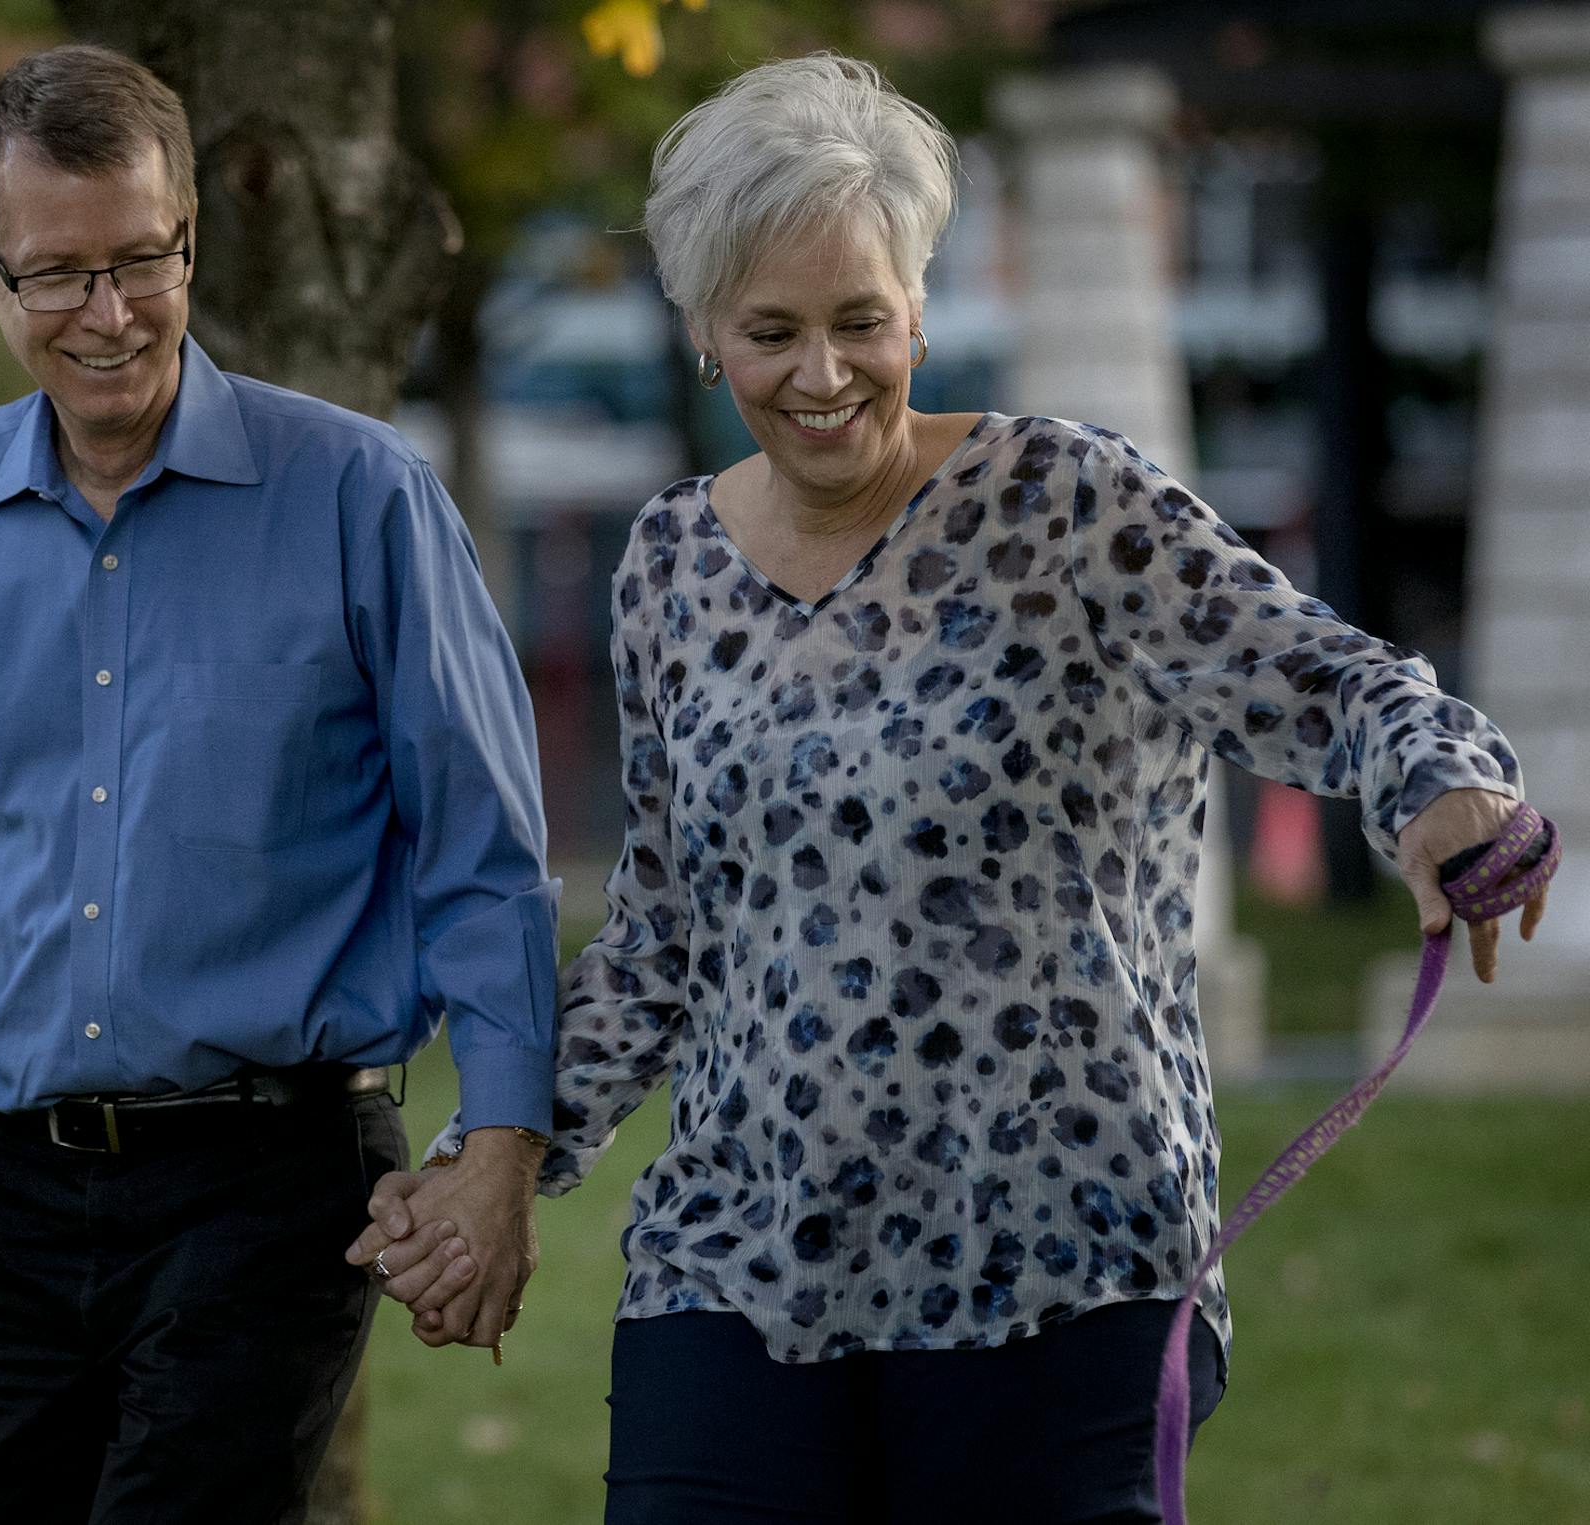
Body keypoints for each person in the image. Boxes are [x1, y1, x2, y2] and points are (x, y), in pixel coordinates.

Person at [349, 52, 1552, 1524]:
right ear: (706, 336)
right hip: (743, 1256)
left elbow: (1322, 677)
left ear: (918, 304)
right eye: (772, 331)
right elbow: (667, 929)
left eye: (861, 321)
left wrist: (1440, 785)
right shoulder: (668, 560)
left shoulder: (1065, 502)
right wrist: (499, 1150)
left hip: (1056, 1261)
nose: (823, 372)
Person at [0, 43, 556, 1524]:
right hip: (23, 1194)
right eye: (59, 274)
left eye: (143, 261)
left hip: (274, 1176)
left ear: (191, 239)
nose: (110, 314)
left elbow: (481, 849)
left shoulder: (360, 497)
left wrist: (497, 1143)